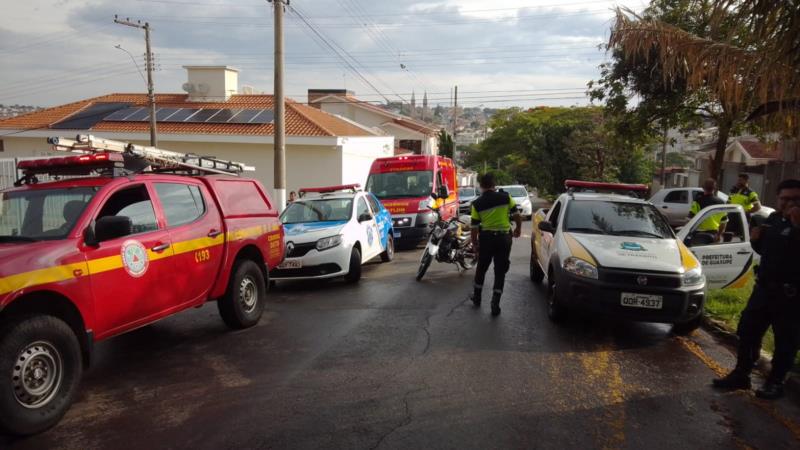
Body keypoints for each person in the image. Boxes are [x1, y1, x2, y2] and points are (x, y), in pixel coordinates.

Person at [712, 178, 800, 399]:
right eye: (784, 198)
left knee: (785, 341)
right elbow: (769, 251)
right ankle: (742, 374)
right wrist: (755, 241)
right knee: (748, 331)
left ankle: (775, 382)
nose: (788, 203)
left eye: (795, 199)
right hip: (764, 291)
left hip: (791, 296)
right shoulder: (773, 219)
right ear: (777, 199)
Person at [469, 173, 522, 316]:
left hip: (486, 239)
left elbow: (474, 228)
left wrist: (475, 245)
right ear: (494, 185)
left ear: (481, 187)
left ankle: (477, 298)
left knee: (481, 268)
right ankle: (495, 303)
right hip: (504, 239)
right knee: (500, 271)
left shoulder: (477, 204)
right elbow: (517, 215)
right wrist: (518, 228)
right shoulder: (506, 197)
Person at [688, 178, 728, 242]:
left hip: (699, 234)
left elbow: (690, 219)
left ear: (703, 188)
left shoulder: (697, 201)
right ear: (714, 188)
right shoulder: (721, 202)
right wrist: (719, 235)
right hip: (714, 234)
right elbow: (723, 222)